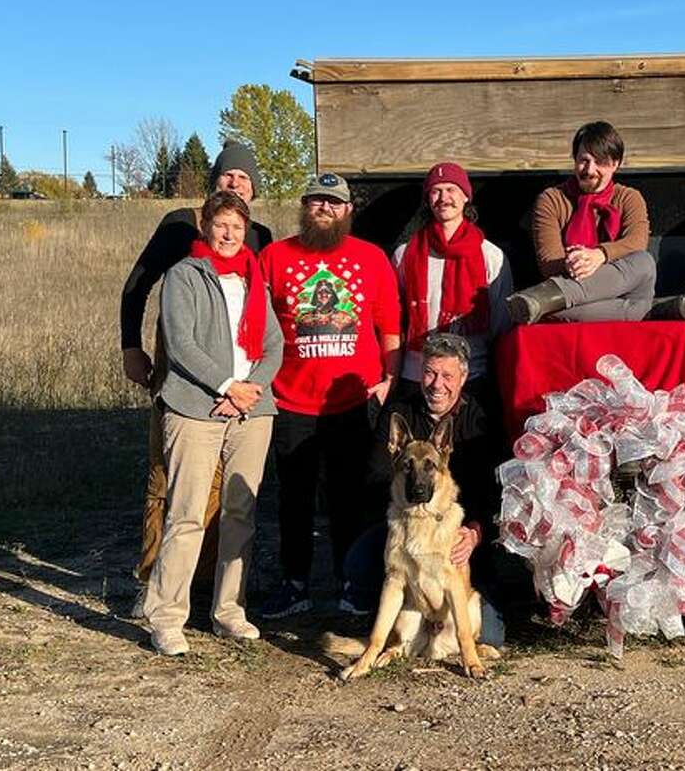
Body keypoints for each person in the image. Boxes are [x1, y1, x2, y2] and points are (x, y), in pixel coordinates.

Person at [119, 141, 272, 617]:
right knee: (171, 482)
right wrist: (131, 346)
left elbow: (266, 317)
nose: (235, 183)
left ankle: (212, 590)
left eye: (243, 179)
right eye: (228, 176)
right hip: (184, 375)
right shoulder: (181, 227)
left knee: (228, 493)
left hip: (245, 386)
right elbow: (138, 284)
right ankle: (153, 583)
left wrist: (251, 384)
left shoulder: (259, 237)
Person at [144, 191, 284, 656]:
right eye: (221, 225)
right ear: (206, 225)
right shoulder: (184, 276)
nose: (228, 234)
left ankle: (229, 610)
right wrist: (226, 385)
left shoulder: (254, 278)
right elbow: (180, 344)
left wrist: (249, 390)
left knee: (240, 513)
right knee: (185, 514)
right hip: (195, 409)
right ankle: (166, 616)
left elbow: (273, 345)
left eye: (237, 227)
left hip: (252, 410)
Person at [258, 173, 402, 619]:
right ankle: (295, 582)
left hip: (352, 401)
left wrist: (390, 378)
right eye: (317, 201)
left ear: (347, 211)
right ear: (304, 207)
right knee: (294, 498)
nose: (324, 209)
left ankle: (350, 582)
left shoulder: (371, 258)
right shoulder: (275, 256)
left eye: (334, 203)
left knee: (349, 498)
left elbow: (390, 326)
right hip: (291, 400)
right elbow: (254, 326)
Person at [341, 333, 510, 644]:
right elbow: (376, 476)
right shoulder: (400, 413)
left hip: (459, 535)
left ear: (464, 377)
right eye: (430, 373)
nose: (437, 384)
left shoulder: (481, 418)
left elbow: (494, 489)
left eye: (447, 375)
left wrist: (475, 531)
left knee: (491, 638)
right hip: (407, 526)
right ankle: (386, 613)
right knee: (359, 562)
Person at [507, 121, 656, 324]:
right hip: (581, 292)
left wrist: (599, 255)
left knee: (644, 262)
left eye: (600, 162)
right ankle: (652, 310)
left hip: (615, 292)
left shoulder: (629, 197)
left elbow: (637, 242)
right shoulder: (551, 199)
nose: (590, 169)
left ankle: (541, 300)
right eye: (584, 160)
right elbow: (548, 263)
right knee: (639, 307)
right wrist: (577, 262)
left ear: (615, 164)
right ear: (574, 160)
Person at [392, 162, 512, 405]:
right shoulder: (404, 254)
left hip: (472, 374)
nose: (443, 198)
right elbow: (395, 316)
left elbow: (502, 322)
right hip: (416, 375)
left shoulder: (491, 256)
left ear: (466, 196)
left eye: (451, 190)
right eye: (435, 191)